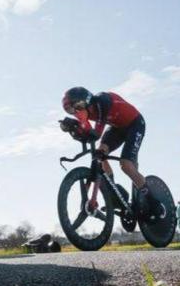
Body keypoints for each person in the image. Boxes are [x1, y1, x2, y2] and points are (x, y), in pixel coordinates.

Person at [59, 87, 163, 217]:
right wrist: (74, 128)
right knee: (99, 153)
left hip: (135, 124)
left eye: (74, 107)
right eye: (69, 110)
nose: (74, 112)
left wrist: (82, 123)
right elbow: (88, 133)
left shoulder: (102, 100)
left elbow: (96, 133)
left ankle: (153, 203)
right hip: (117, 128)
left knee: (126, 165)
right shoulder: (84, 111)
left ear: (83, 101)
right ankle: (112, 190)